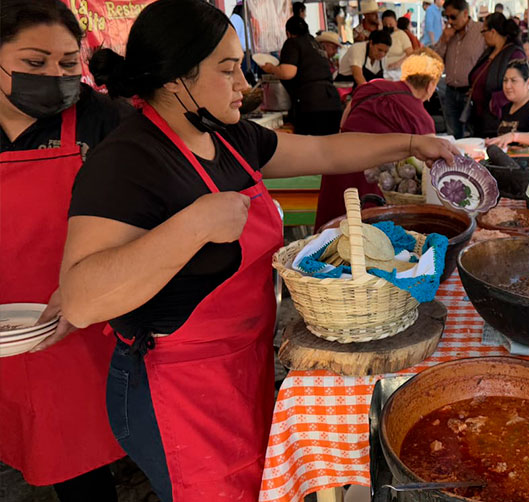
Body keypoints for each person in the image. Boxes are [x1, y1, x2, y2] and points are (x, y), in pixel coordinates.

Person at [61, 2, 458, 501]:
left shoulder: (229, 137)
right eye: (228, 69)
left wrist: (414, 143)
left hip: (245, 368)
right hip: (174, 390)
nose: (244, 82)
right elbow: (80, 299)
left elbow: (324, 151)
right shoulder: (126, 160)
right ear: (176, 79)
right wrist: (194, 225)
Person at [0, 2, 131, 500]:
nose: (55, 76)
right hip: (6, 326)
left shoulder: (105, 120)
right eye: (34, 63)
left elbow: (149, 210)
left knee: (77, 461)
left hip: (80, 324)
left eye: (68, 63)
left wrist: (90, 285)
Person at [317, 48, 445, 228]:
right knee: (364, 238)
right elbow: (426, 175)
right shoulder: (422, 119)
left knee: (328, 236)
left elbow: (343, 123)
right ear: (431, 85)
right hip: (369, 186)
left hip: (338, 168)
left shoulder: (371, 86)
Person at [261, 17, 342, 136]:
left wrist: (271, 69)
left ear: (288, 33)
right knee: (330, 144)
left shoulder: (293, 42)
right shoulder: (315, 44)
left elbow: (288, 73)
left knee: (310, 145)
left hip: (312, 104)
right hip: (333, 102)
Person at [466, 12, 526, 138]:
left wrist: (494, 102)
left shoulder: (514, 54)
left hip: (498, 119)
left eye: (484, 32)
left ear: (493, 32)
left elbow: (519, 86)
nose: (482, 36)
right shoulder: (489, 52)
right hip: (480, 118)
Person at [433, 0, 485, 138]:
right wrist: (443, 40)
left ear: (465, 13)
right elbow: (436, 59)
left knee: (472, 136)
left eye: (453, 17)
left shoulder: (480, 31)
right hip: (450, 91)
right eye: (447, 17)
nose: (450, 21)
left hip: (470, 93)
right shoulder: (448, 33)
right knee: (453, 136)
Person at [484, 59, 529, 149]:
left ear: (528, 83)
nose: (507, 86)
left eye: (513, 80)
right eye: (505, 80)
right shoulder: (506, 108)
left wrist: (513, 136)